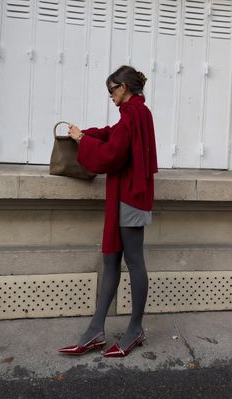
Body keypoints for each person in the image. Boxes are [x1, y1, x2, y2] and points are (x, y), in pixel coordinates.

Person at [59, 65, 158, 357]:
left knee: (133, 260)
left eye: (111, 89)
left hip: (130, 197)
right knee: (111, 259)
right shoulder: (137, 113)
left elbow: (112, 154)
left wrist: (82, 141)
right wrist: (86, 133)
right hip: (126, 195)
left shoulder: (133, 114)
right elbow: (111, 135)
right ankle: (95, 330)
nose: (110, 95)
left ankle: (136, 329)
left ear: (123, 88)